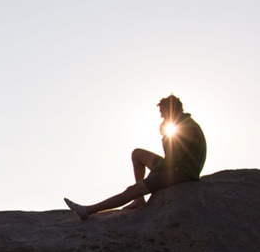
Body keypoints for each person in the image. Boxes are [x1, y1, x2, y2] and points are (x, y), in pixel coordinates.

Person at [64, 94, 207, 220]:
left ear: (172, 110)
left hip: (182, 171)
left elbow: (172, 160)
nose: (162, 117)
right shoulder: (182, 124)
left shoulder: (186, 127)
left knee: (133, 189)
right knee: (137, 154)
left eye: (163, 113)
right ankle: (139, 200)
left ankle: (87, 210)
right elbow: (171, 155)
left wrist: (154, 173)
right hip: (177, 164)